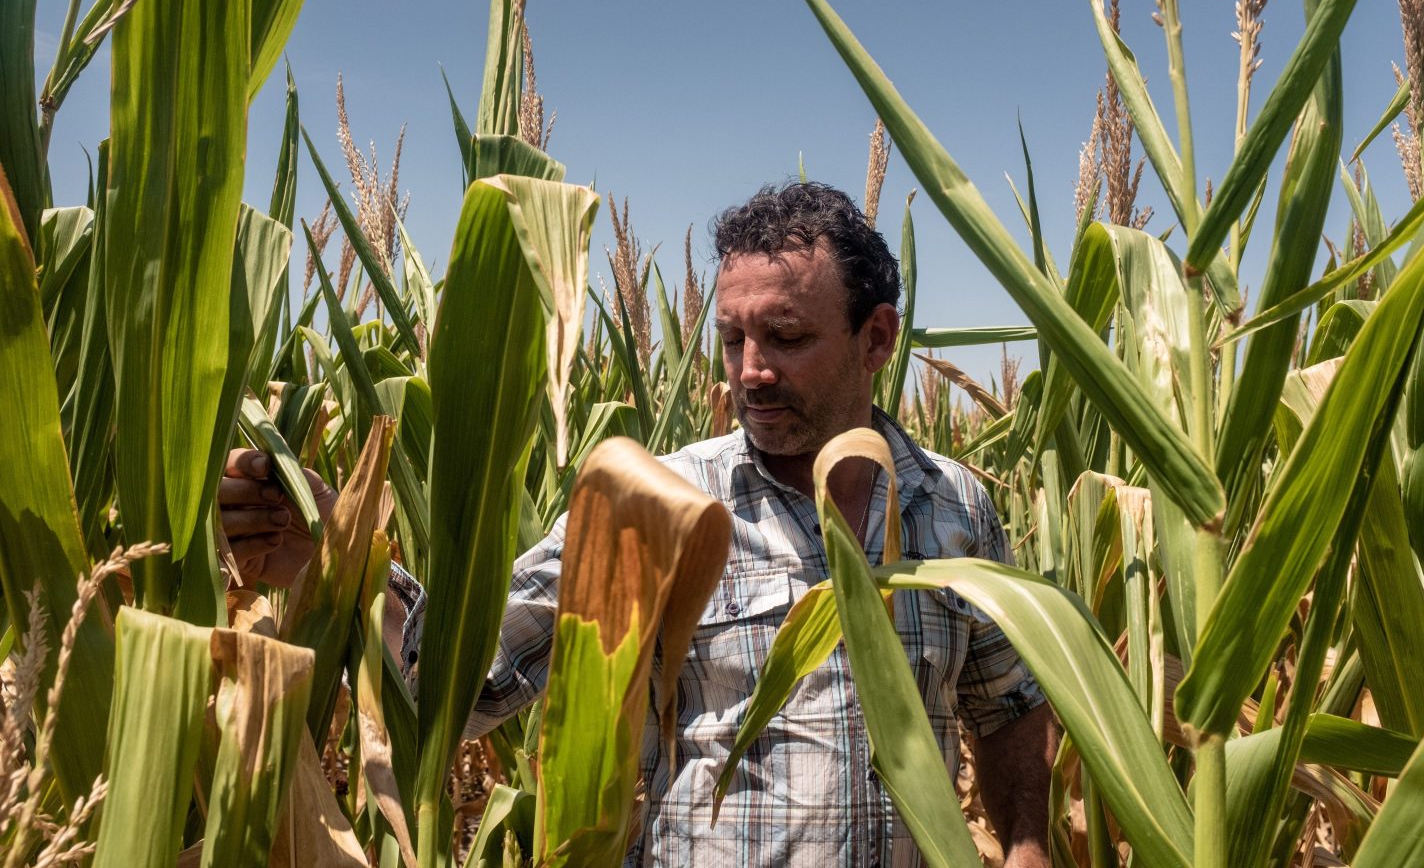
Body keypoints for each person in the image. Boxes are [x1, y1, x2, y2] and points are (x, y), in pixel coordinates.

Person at [221, 181, 1056, 867]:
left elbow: (1006, 703)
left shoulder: (955, 507)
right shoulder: (657, 502)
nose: (751, 372)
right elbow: (465, 681)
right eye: (732, 338)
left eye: (787, 337)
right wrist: (334, 549)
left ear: (876, 339)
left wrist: (1025, 845)